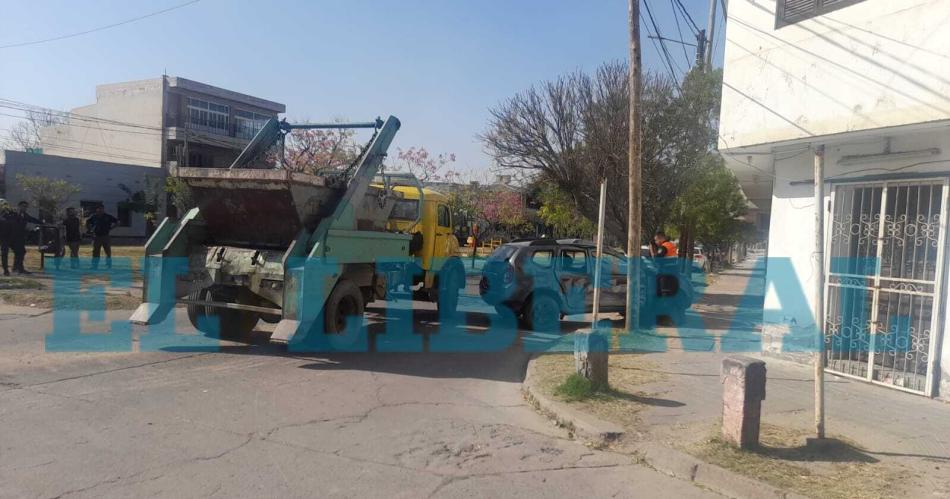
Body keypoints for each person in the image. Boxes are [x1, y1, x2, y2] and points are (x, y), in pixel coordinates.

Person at [5, 201, 42, 275]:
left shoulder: (24, 215)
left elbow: (32, 219)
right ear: (19, 206)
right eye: (23, 206)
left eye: (25, 206)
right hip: (12, 237)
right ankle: (18, 269)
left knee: (20, 252)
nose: (24, 208)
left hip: (20, 237)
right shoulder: (14, 214)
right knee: (20, 252)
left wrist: (42, 223)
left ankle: (17, 268)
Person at [86, 204, 118, 269]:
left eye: (102, 208)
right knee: (95, 252)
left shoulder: (108, 216)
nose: (100, 210)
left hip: (106, 236)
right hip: (96, 237)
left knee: (108, 252)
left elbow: (117, 222)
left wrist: (111, 228)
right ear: (96, 209)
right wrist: (90, 229)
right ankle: (94, 266)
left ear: (103, 209)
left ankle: (108, 265)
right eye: (99, 209)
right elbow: (87, 222)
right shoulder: (93, 217)